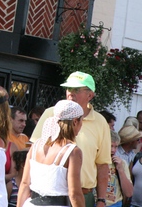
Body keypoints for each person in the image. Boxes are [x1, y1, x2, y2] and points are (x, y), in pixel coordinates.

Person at [30, 72, 111, 207]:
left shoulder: (100, 122)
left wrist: (101, 200)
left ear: (90, 95)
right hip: (49, 195)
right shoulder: (51, 113)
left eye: (77, 90)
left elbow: (102, 164)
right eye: (69, 89)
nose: (71, 93)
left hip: (84, 195)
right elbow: (33, 153)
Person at [18, 100, 85, 207]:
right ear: (75, 121)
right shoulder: (72, 151)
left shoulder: (36, 145)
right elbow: (74, 193)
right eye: (82, 120)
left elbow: (25, 184)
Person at [106, 131, 133, 207]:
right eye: (111, 146)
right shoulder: (95, 161)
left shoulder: (122, 163)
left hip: (115, 204)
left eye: (116, 146)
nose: (113, 150)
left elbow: (129, 193)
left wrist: (120, 169)